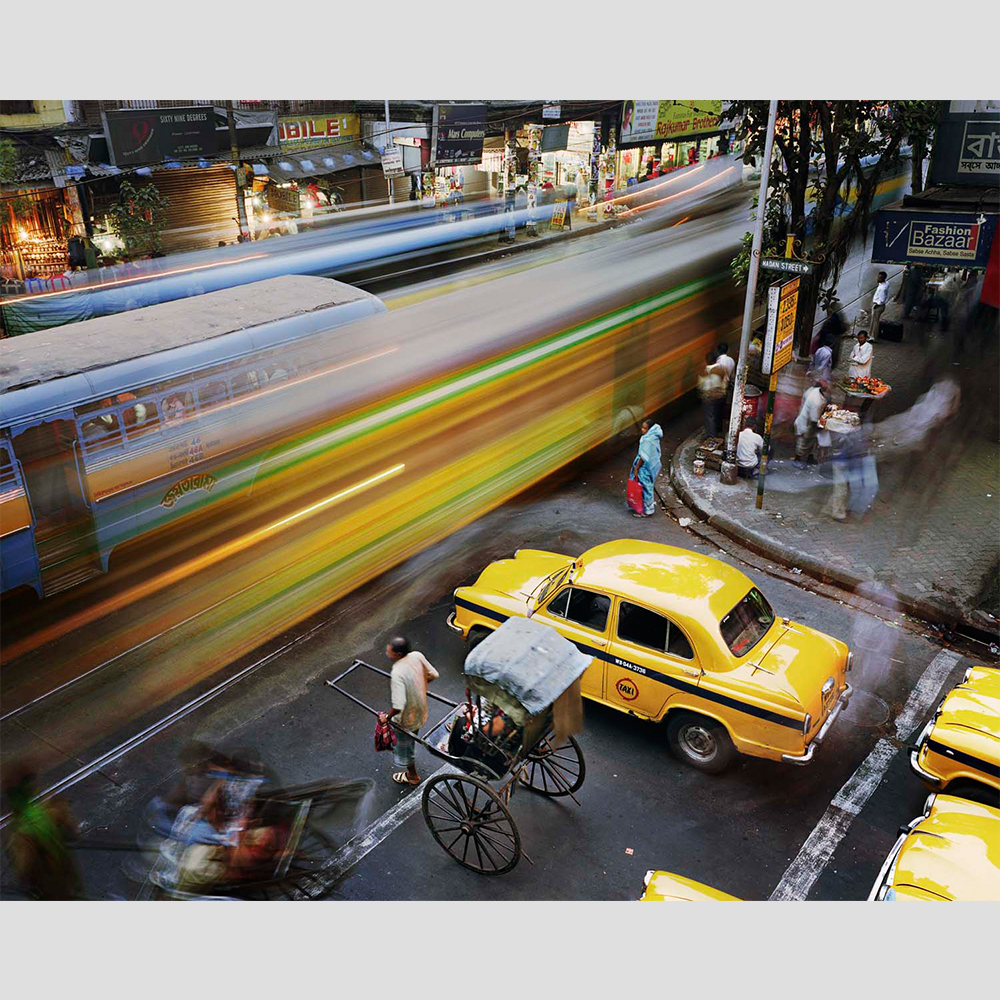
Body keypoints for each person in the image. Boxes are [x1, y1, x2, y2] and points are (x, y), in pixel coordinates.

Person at [3, 767, 83, 900]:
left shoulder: (19, 834)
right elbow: (72, 832)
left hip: (49, 885)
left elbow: (24, 869)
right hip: (63, 876)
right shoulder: (51, 811)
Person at [383, 636, 439, 786]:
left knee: (405, 746)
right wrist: (420, 685)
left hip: (406, 720)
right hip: (421, 711)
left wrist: (386, 718)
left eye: (390, 651)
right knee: (413, 736)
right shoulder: (417, 655)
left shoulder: (397, 673)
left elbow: (398, 706)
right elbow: (434, 674)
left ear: (398, 655)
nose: (387, 651)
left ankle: (412, 776)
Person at [630, 419, 663, 517]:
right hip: (653, 465)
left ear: (650, 429)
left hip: (645, 467)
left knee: (646, 488)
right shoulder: (654, 437)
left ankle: (647, 511)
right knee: (647, 486)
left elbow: (643, 457)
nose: (642, 430)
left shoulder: (647, 440)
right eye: (642, 427)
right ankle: (645, 508)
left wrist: (636, 468)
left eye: (645, 428)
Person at [793, 379, 829, 466]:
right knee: (804, 442)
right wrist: (820, 428)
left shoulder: (814, 390)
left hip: (809, 419)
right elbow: (814, 420)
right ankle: (797, 459)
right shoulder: (816, 401)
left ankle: (810, 457)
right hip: (807, 423)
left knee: (812, 442)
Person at [698, 351, 726, 439]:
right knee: (718, 413)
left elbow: (701, 385)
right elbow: (725, 381)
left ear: (706, 360)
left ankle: (712, 436)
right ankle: (718, 429)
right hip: (721, 395)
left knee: (709, 416)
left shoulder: (703, 371)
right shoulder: (721, 369)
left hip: (709, 397)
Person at [714, 341, 735, 433]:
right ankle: (720, 428)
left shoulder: (719, 363)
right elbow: (732, 376)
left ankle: (716, 430)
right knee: (721, 408)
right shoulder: (731, 360)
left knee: (716, 410)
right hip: (726, 388)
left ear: (718, 351)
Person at [869, 271, 890, 340]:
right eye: (878, 277)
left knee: (875, 322)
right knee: (874, 321)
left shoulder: (882, 288)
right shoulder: (885, 284)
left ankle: (873, 337)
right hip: (880, 305)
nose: (877, 278)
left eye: (879, 278)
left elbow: (882, 299)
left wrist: (877, 305)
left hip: (878, 306)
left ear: (883, 279)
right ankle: (872, 335)